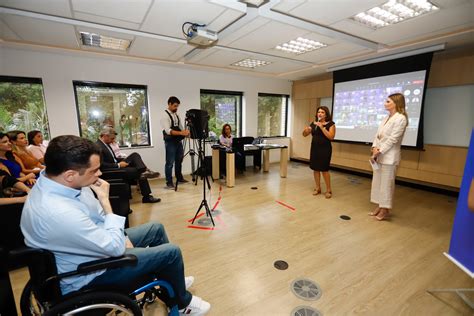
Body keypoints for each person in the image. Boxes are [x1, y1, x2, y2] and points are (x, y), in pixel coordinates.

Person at [20, 135, 210, 315]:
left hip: (91, 247)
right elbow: (114, 246)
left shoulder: (58, 182)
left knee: (156, 229)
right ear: (70, 174)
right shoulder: (59, 211)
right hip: (88, 275)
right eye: (94, 171)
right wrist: (105, 200)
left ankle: (172, 280)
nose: (100, 173)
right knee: (171, 252)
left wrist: (123, 237)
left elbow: (97, 217)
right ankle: (183, 303)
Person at [369, 93, 408, 221]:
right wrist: (374, 148)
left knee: (387, 184)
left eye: (388, 101)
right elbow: (377, 135)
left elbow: (393, 139)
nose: (385, 103)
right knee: (378, 183)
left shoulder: (401, 118)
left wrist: (379, 151)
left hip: (389, 157)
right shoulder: (385, 118)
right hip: (379, 155)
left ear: (396, 103)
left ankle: (385, 209)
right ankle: (380, 206)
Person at [97, 126, 160, 203]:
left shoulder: (106, 144)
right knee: (139, 171)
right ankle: (146, 196)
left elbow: (113, 159)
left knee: (134, 155)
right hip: (112, 170)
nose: (113, 141)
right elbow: (101, 165)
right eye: (112, 138)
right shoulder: (98, 147)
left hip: (116, 164)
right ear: (105, 136)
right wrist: (118, 165)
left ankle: (143, 170)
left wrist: (122, 161)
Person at [302, 106, 336, 199]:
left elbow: (331, 137)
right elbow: (304, 135)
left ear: (326, 114)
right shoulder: (314, 124)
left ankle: (329, 190)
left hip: (325, 149)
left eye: (322, 112)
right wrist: (306, 131)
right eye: (319, 112)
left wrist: (322, 127)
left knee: (324, 170)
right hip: (315, 149)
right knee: (315, 169)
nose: (320, 114)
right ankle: (318, 188)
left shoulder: (331, 124)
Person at [160, 96, 190, 189]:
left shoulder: (176, 115)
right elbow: (168, 131)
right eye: (175, 106)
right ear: (169, 104)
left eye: (177, 106)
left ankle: (179, 178)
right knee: (169, 162)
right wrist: (181, 132)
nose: (176, 108)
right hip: (170, 142)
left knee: (179, 160)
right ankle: (169, 183)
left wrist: (186, 133)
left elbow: (180, 127)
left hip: (178, 141)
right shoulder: (164, 116)